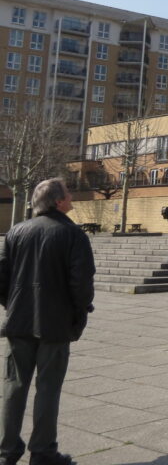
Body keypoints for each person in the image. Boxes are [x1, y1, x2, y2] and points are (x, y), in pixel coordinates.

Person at [0, 179, 95, 465]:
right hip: (55, 324)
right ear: (57, 201)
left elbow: (2, 278)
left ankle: (7, 452)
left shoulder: (16, 232)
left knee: (14, 386)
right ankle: (42, 451)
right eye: (68, 194)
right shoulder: (73, 235)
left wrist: (14, 306)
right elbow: (81, 283)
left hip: (19, 322)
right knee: (49, 387)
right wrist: (79, 316)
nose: (72, 199)